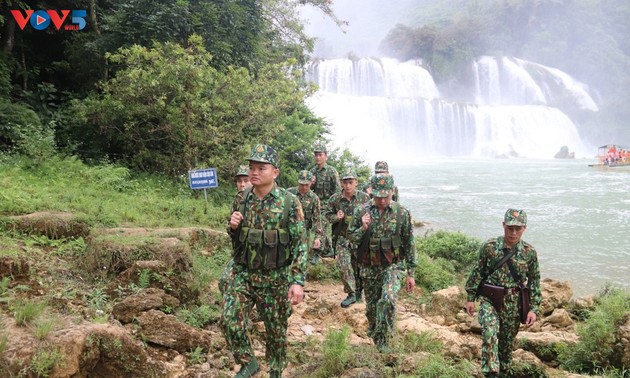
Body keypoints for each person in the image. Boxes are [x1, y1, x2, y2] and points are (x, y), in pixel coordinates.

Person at [222, 144, 307, 378]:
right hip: (245, 272)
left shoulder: (290, 203)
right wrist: (233, 226)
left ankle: (276, 371)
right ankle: (248, 362)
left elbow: (301, 244)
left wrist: (297, 281)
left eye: (261, 167)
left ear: (275, 172)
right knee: (229, 319)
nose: (254, 172)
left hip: (276, 278)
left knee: (276, 332)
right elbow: (234, 237)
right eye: (251, 168)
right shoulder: (242, 199)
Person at [464, 209, 542, 377]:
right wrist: (471, 298)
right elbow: (478, 272)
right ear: (503, 225)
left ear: (524, 228)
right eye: (510, 228)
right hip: (489, 299)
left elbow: (535, 282)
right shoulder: (489, 247)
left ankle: (503, 372)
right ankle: (490, 373)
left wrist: (533, 309)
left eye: (518, 228)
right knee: (490, 333)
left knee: (506, 347)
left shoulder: (529, 253)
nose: (513, 233)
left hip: (514, 304)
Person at [348, 173, 416, 352]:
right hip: (368, 268)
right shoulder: (361, 211)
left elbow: (409, 243)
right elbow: (350, 240)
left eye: (386, 196)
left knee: (388, 299)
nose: (382, 200)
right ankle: (377, 338)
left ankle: (385, 340)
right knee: (372, 309)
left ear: (392, 192)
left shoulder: (402, 213)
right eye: (378, 196)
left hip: (392, 267)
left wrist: (411, 273)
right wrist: (362, 228)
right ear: (371, 192)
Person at [325, 167, 370, 307]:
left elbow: (372, 215)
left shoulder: (364, 198)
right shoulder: (335, 199)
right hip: (342, 237)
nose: (348, 185)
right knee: (343, 265)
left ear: (356, 182)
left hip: (359, 238)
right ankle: (351, 293)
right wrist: (336, 217)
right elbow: (327, 216)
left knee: (358, 267)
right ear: (341, 183)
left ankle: (358, 293)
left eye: (351, 182)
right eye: (345, 182)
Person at [219, 164, 252, 296]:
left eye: (246, 180)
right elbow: (230, 229)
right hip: (241, 253)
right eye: (239, 181)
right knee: (225, 282)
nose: (242, 184)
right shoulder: (238, 199)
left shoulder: (264, 199)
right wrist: (232, 227)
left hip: (263, 256)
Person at [309, 141, 341, 259]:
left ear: (326, 156)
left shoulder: (332, 171)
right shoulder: (312, 171)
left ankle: (317, 251)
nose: (318, 157)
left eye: (320, 154)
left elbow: (337, 191)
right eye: (316, 155)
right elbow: (307, 190)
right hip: (315, 204)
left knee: (321, 223)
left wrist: (334, 207)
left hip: (328, 205)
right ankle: (328, 249)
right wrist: (311, 184)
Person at [287, 170, 324, 264]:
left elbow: (317, 219)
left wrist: (317, 237)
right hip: (288, 230)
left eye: (307, 185)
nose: (304, 187)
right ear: (298, 182)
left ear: (311, 183)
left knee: (301, 257)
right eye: (301, 184)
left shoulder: (314, 198)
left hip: (304, 232)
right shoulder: (288, 193)